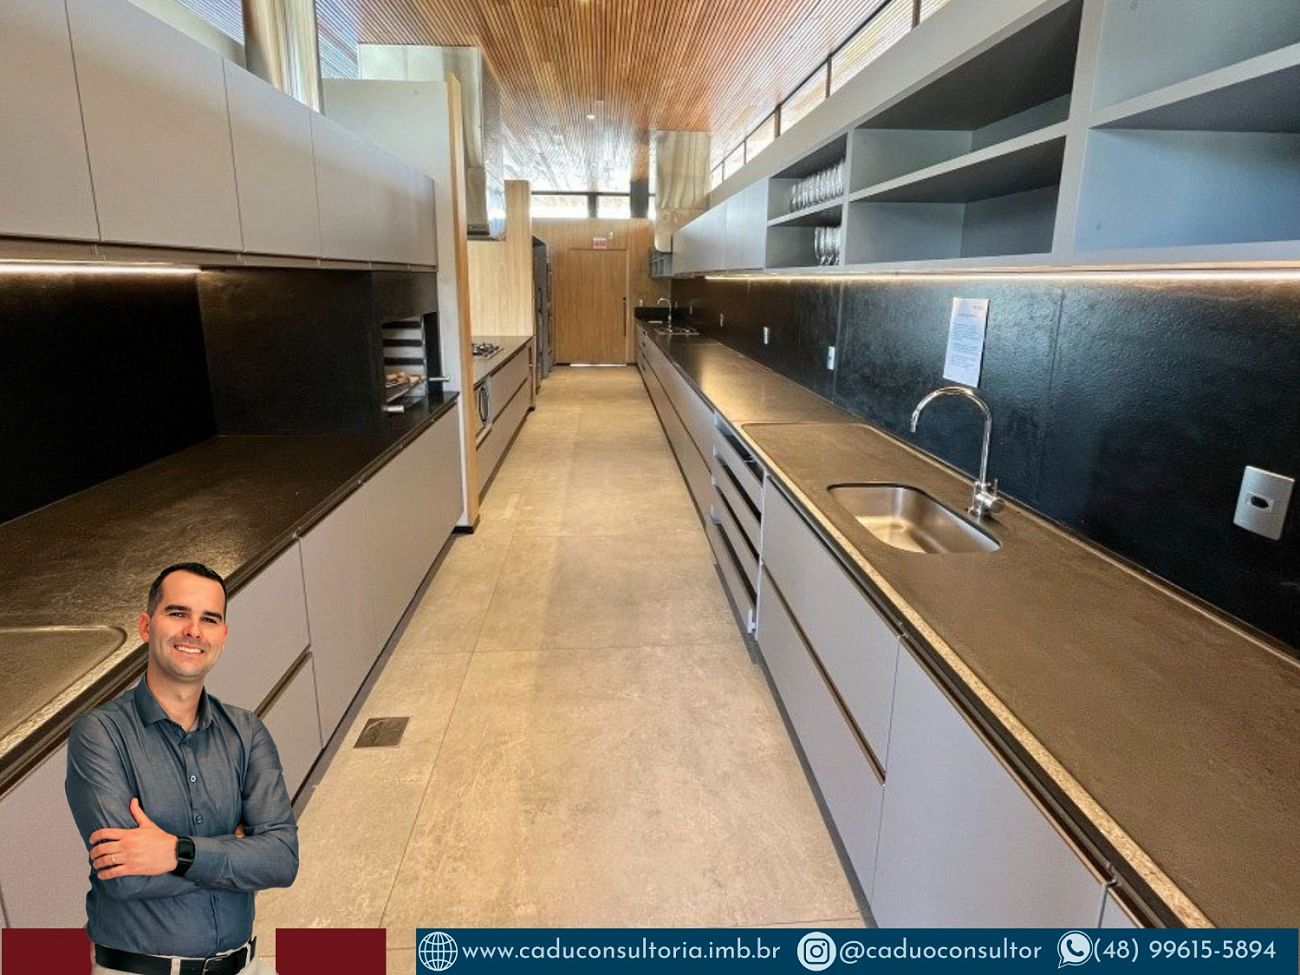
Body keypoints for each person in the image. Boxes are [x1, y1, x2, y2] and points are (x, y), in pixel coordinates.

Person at [65, 562, 298, 975]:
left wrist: (175, 852)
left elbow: (280, 859)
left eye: (209, 619)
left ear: (223, 636)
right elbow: (125, 876)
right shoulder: (100, 734)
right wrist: (236, 852)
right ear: (145, 626)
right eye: (177, 613)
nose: (194, 630)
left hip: (244, 965)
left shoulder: (246, 732)